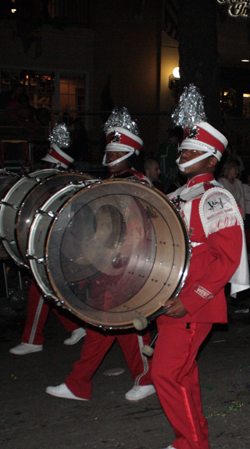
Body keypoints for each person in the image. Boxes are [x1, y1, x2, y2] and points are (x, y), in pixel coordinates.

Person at [151, 85, 248, 449]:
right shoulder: (177, 195)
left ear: (211, 158)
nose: (182, 156)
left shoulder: (215, 198)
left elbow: (226, 259)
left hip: (193, 305)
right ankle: (188, 440)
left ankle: (193, 448)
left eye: (191, 152)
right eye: (183, 150)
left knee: (165, 374)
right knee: (183, 374)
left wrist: (190, 301)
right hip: (169, 298)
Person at [46, 108, 155, 403]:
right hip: (108, 266)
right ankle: (87, 382)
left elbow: (137, 231)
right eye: (110, 152)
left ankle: (87, 382)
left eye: (118, 153)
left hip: (127, 267)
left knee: (115, 323)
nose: (112, 158)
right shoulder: (111, 182)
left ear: (130, 154)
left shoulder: (137, 183)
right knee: (110, 325)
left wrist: (118, 262)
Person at [10, 123, 86, 355]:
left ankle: (33, 339)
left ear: (57, 166)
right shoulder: (51, 187)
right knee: (47, 290)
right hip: (47, 246)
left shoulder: (68, 188)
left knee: (41, 291)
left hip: (60, 248)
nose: (44, 167)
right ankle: (75, 327)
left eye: (49, 164)